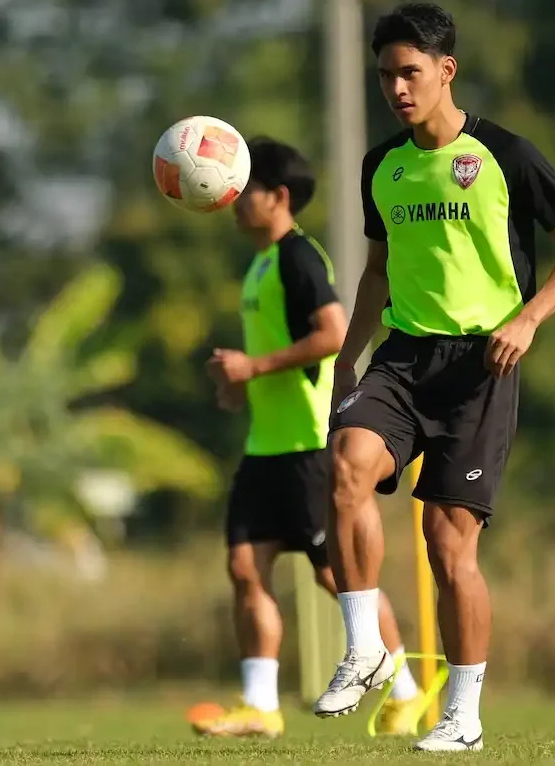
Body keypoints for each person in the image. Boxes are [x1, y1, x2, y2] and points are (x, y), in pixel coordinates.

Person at [313, 4, 555, 752]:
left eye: (410, 73)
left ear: (446, 71)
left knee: (449, 548)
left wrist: (529, 318)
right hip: (405, 358)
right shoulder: (382, 165)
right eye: (385, 75)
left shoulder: (506, 154)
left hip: (483, 365)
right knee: (346, 464)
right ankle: (365, 645)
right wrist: (351, 352)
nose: (396, 88)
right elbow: (378, 269)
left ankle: (463, 717)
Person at [192, 137, 422, 739]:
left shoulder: (298, 257)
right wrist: (239, 384)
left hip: (308, 446)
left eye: (247, 193)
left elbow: (333, 334)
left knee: (339, 576)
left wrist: (254, 367)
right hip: (264, 447)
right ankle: (261, 706)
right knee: (245, 567)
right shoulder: (260, 263)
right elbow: (274, 353)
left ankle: (407, 691)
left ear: (280, 197)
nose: (235, 204)